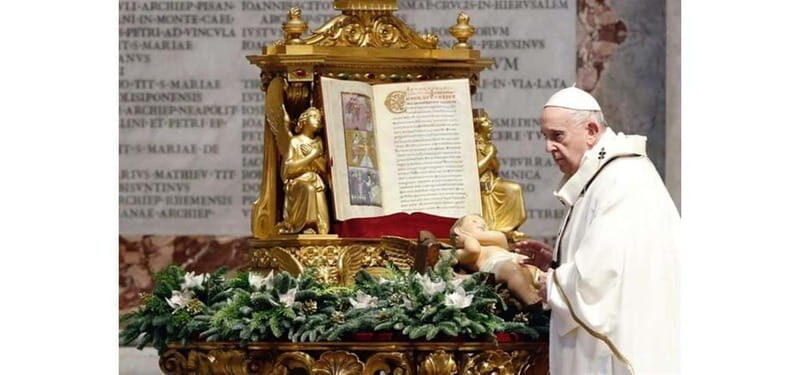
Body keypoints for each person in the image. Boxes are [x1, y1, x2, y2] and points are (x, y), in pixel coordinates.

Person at [513, 87, 679, 374]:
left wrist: (549, 282)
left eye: (557, 136)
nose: (548, 147)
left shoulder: (623, 179)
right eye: (546, 136)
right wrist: (557, 263)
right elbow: (609, 256)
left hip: (616, 347)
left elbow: (601, 278)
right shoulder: (606, 174)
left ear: (591, 131)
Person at [449, 214, 543, 307]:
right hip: (494, 264)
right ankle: (529, 298)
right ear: (458, 230)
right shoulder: (459, 251)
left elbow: (500, 237)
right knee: (512, 270)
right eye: (474, 221)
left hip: (512, 258)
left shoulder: (492, 242)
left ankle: (540, 292)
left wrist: (470, 235)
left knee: (530, 270)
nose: (482, 225)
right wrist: (467, 239)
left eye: (485, 225)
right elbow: (474, 250)